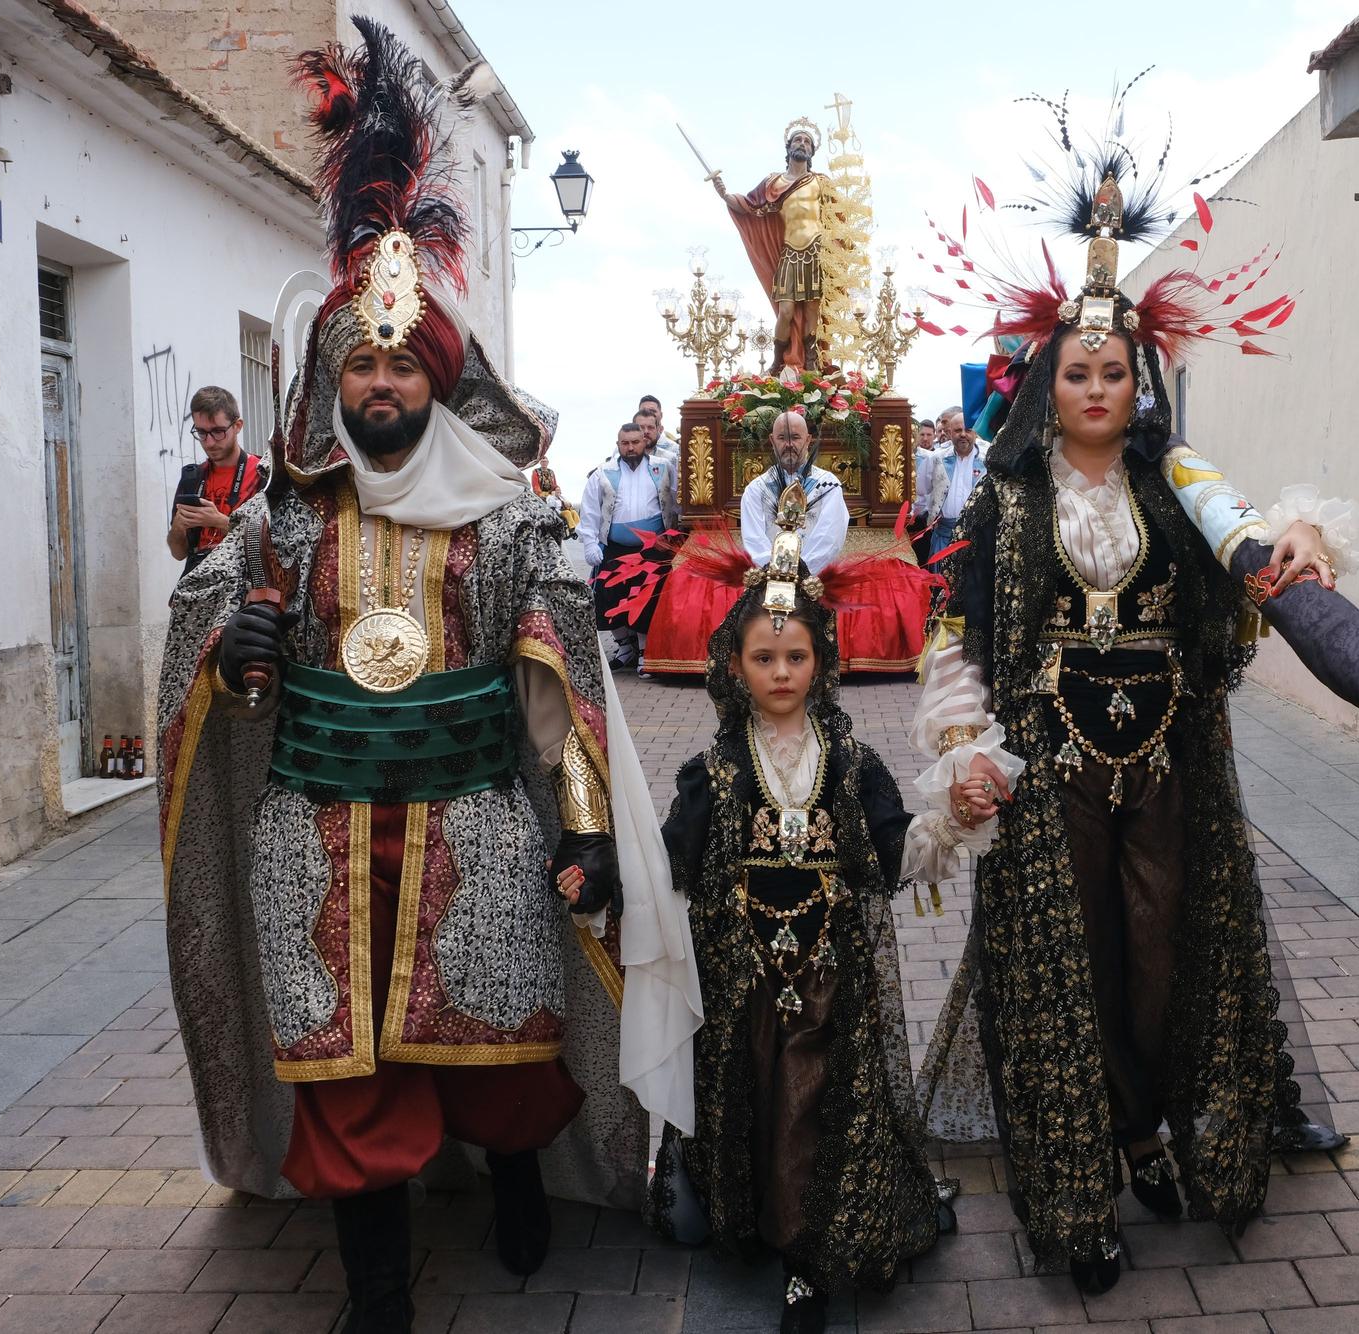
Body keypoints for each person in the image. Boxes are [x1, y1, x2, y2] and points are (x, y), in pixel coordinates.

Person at [155, 23, 702, 1331]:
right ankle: (379, 1292)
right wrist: (235, 650)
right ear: (331, 382)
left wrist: (583, 827)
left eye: (405, 360)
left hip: (470, 821)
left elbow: (559, 672)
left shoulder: (507, 521)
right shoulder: (281, 519)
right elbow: (218, 629)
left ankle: (518, 1177)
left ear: (436, 379)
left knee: (500, 1048)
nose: (386, 378)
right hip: (316, 832)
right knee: (346, 1074)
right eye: (364, 361)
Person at [911, 164, 1349, 1297]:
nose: (1096, 386)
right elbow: (953, 629)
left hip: (1161, 765)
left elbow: (1248, 533)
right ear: (1044, 384)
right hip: (1044, 768)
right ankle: (1077, 1188)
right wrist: (964, 748)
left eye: (1112, 370)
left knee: (1160, 957)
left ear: (1135, 379)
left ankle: (1148, 1131)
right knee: (1070, 969)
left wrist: (1297, 535)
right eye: (1076, 371)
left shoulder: (1173, 484)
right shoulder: (1002, 501)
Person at [651, 494, 974, 1333]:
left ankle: (808, 1265)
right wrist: (607, 874)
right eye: (765, 657)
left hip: (833, 977)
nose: (782, 672)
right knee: (756, 1100)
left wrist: (959, 819)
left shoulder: (854, 763)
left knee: (811, 1104)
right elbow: (669, 861)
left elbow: (896, 851)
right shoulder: (711, 770)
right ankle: (763, 1222)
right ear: (736, 667)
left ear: (822, 663)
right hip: (742, 979)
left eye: (797, 655)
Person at [714, 119, 835, 373]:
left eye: (807, 142)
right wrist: (725, 195)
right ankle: (779, 360)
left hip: (816, 251)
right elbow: (749, 204)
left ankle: (811, 359)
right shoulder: (774, 182)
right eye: (798, 140)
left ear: (812, 152)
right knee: (786, 310)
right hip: (790, 251)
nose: (802, 144)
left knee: (813, 309)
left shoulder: (821, 183)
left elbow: (838, 216)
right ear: (789, 147)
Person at [579, 421, 680, 672]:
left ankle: (646, 653)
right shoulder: (603, 473)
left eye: (635, 442)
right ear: (618, 445)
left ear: (645, 442)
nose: (631, 448)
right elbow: (590, 512)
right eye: (625, 443)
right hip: (614, 547)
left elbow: (678, 503)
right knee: (608, 597)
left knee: (645, 599)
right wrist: (591, 544)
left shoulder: (663, 468)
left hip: (653, 549)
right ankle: (625, 648)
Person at [166, 386, 266, 571]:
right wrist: (178, 528)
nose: (209, 442)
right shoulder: (193, 477)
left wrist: (219, 521)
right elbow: (178, 553)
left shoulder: (263, 473)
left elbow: (276, 543)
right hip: (199, 587)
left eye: (218, 432)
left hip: (246, 589)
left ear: (237, 426)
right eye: (201, 433)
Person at [740, 409, 847, 575]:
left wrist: (803, 573)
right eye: (782, 438)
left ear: (808, 440)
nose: (788, 444)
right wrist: (775, 573)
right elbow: (753, 540)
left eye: (795, 437)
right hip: (769, 579)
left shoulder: (828, 485)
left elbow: (830, 537)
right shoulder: (756, 489)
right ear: (772, 440)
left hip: (814, 580)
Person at [927, 407, 985, 559]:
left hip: (976, 538)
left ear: (975, 432)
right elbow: (923, 491)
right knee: (940, 581)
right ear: (949, 433)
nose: (963, 434)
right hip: (944, 536)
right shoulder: (936, 458)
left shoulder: (988, 460)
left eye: (968, 430)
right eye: (958, 430)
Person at [910, 419, 943, 563]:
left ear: (934, 435)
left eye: (929, 435)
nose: (925, 438)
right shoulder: (906, 455)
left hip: (925, 517)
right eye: (921, 434)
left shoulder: (936, 457)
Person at [639, 394, 680, 468]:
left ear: (661, 415)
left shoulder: (674, 449)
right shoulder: (625, 448)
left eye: (652, 411)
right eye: (644, 411)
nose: (648, 413)